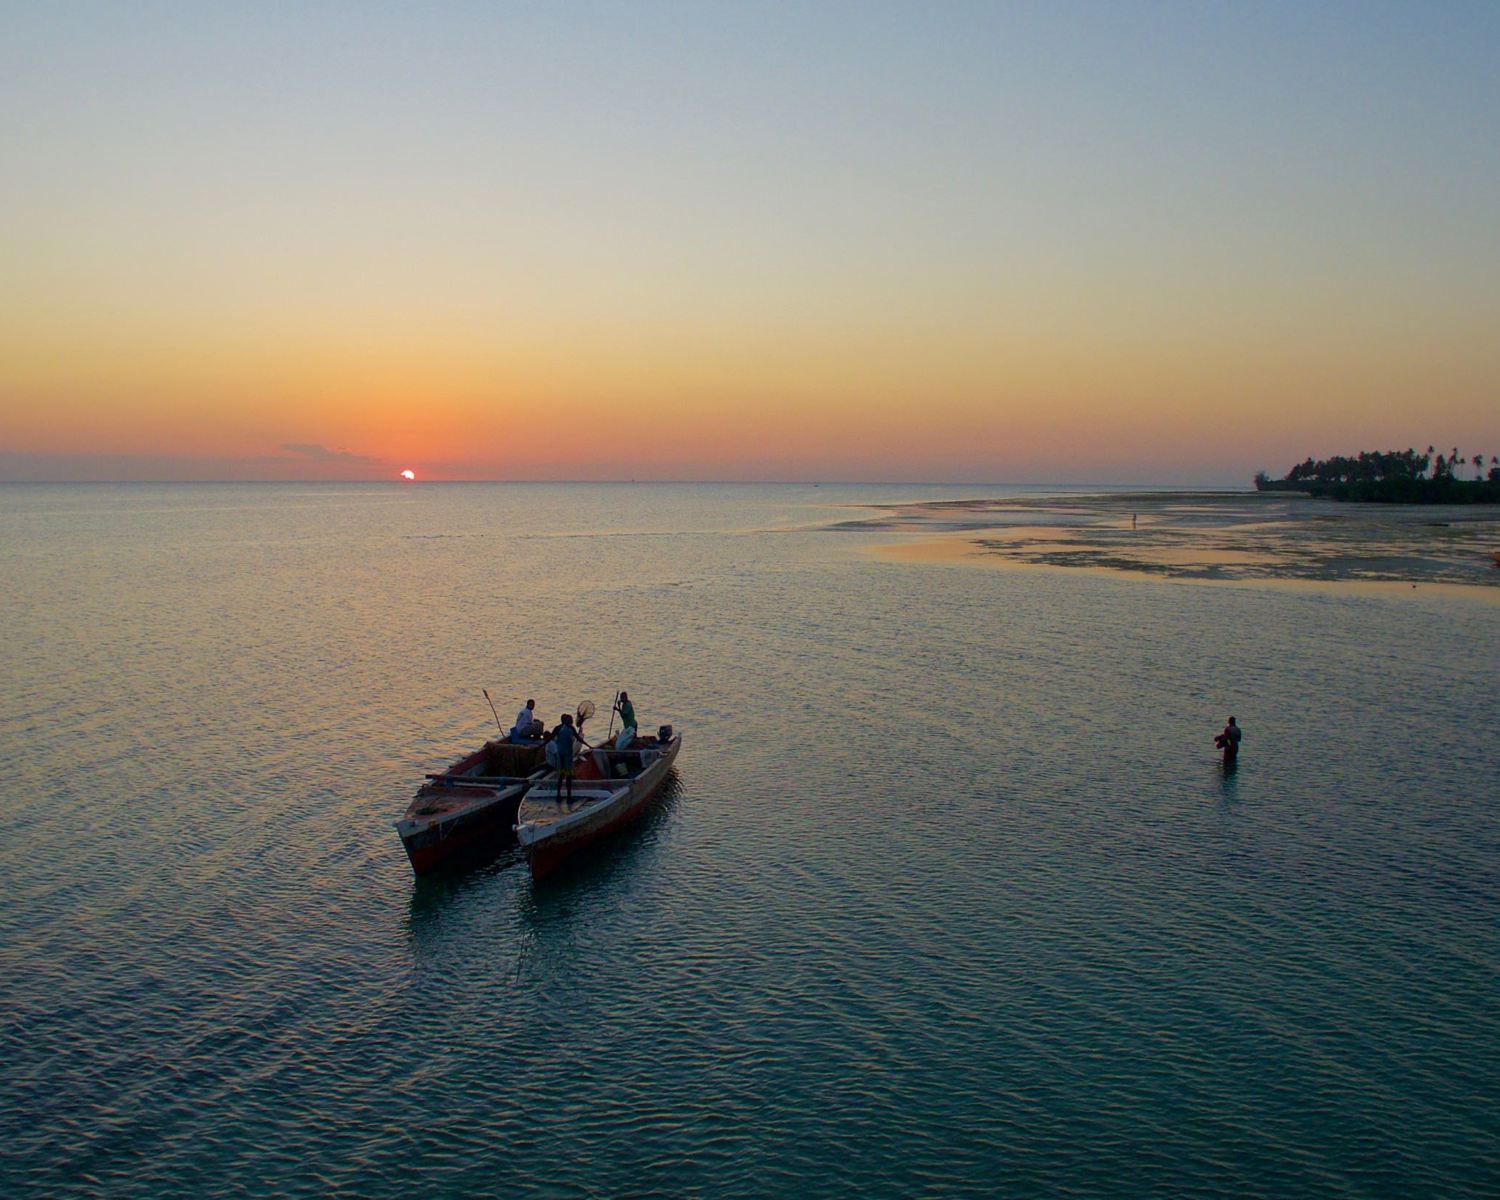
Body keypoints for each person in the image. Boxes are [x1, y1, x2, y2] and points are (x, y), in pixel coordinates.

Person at [551, 712, 591, 803]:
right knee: (568, 776)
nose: (572, 721)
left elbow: (550, 738)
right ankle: (569, 798)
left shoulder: (559, 728)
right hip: (567, 757)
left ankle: (558, 796)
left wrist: (540, 746)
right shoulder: (570, 728)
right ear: (567, 721)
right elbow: (578, 738)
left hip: (560, 756)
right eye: (571, 720)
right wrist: (588, 745)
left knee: (561, 775)